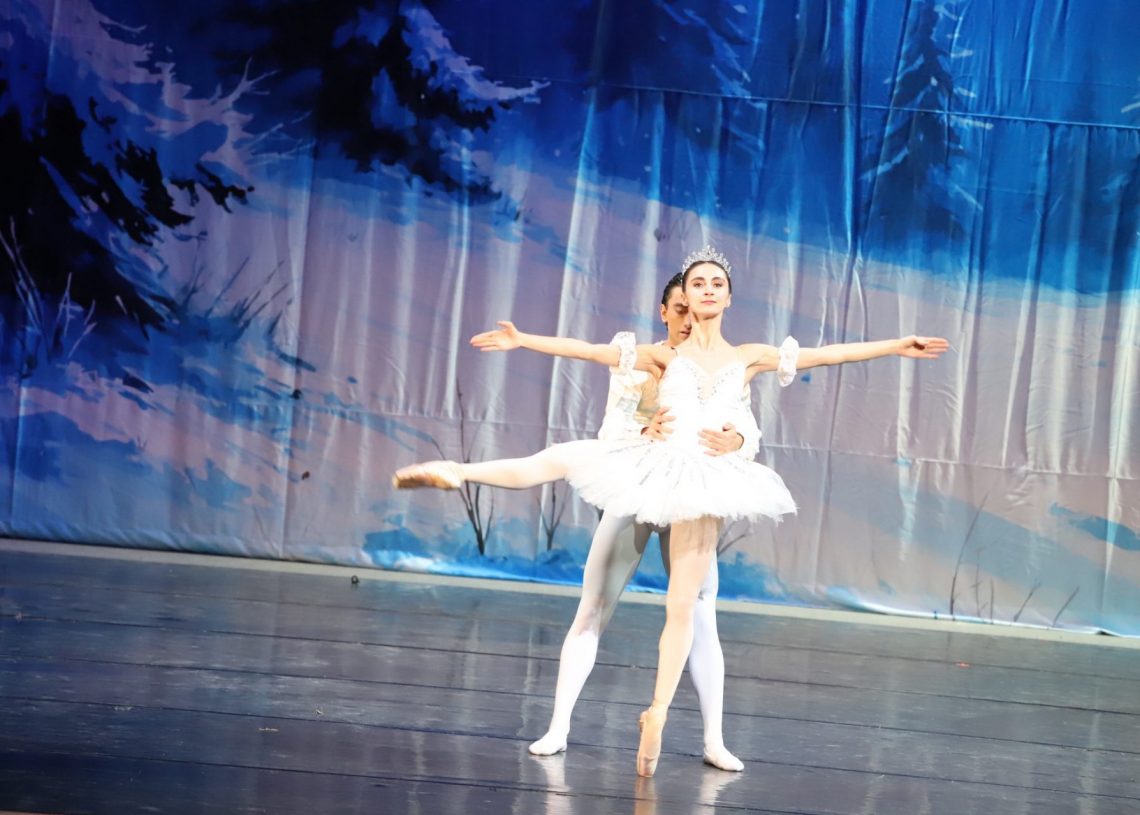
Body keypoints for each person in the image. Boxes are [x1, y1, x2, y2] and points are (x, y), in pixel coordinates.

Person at [397, 246, 949, 776]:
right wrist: (526, 341)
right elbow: (589, 354)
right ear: (669, 307)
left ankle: (704, 734)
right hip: (641, 477)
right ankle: (459, 474)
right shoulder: (656, 358)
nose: (699, 300)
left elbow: (823, 357)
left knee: (695, 608)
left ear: (728, 297)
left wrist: (897, 345)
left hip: (698, 487)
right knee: (569, 496)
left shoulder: (745, 356)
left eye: (714, 286)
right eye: (690, 292)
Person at [396, 272, 764, 771]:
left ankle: (713, 740)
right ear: (665, 312)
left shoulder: (724, 365)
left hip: (691, 497)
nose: (686, 317)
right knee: (593, 606)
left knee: (701, 611)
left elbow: (746, 427)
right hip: (637, 487)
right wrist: (644, 429)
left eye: (694, 306)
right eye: (679, 308)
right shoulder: (643, 361)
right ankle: (558, 727)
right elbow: (610, 424)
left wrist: (737, 440)